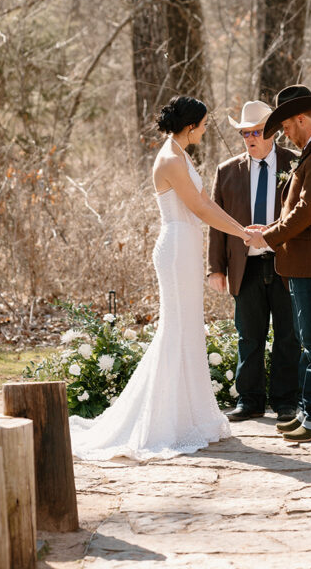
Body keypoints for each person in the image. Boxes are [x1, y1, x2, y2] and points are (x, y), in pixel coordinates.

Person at [70, 95, 257, 461]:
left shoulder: (181, 154)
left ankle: (190, 416)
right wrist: (241, 233)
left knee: (189, 328)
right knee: (175, 329)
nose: (206, 129)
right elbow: (200, 208)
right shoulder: (171, 159)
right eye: (203, 124)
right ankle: (162, 422)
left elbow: (207, 201)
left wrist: (239, 226)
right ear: (191, 126)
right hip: (175, 249)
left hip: (186, 246)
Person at [245, 84, 311, 444]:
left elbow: (307, 211)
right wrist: (271, 228)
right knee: (310, 340)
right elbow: (301, 211)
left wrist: (267, 238)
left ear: (301, 119)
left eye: (286, 127)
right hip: (308, 263)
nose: (285, 134)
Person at [208, 100, 300, 423]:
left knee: (288, 335)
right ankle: (250, 400)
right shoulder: (227, 171)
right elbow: (216, 224)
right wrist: (215, 268)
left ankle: (286, 401)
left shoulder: (295, 164)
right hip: (244, 266)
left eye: (256, 132)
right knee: (249, 335)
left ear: (271, 132)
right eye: (245, 133)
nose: (250, 138)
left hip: (284, 264)